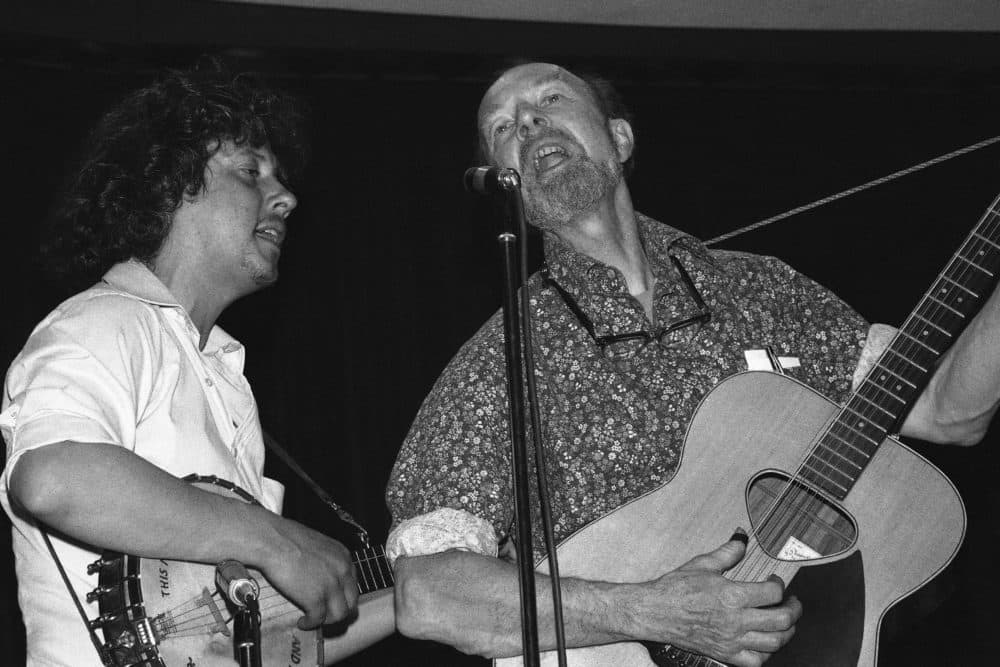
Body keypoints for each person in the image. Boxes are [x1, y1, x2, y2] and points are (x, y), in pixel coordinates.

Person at [384, 62, 1000, 666]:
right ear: (501, 179)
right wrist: (648, 611)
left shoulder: (764, 288)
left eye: (551, 99)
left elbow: (948, 410)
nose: (527, 123)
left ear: (619, 138)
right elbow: (428, 596)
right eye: (502, 127)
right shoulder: (498, 362)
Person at [0, 63, 364, 665]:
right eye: (251, 171)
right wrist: (275, 538)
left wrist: (404, 600)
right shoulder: (105, 321)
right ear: (171, 186)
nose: (287, 196)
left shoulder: (224, 376)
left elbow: (257, 640)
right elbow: (53, 477)